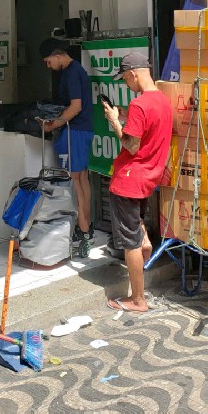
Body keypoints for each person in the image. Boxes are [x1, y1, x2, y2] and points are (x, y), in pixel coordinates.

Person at [101, 51, 172, 313]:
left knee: (128, 241)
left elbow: (131, 145)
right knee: (135, 224)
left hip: (128, 180)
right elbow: (145, 126)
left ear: (133, 74)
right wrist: (121, 114)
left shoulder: (139, 105)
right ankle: (144, 241)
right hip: (148, 178)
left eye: (124, 79)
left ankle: (138, 299)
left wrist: (114, 122)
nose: (125, 83)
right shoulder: (162, 101)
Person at [39, 37, 94, 245]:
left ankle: (83, 229)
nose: (48, 66)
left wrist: (53, 125)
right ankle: (86, 225)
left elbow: (75, 107)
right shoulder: (77, 69)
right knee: (82, 178)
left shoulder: (71, 73)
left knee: (74, 179)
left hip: (75, 131)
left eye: (48, 61)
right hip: (84, 130)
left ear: (57, 55)